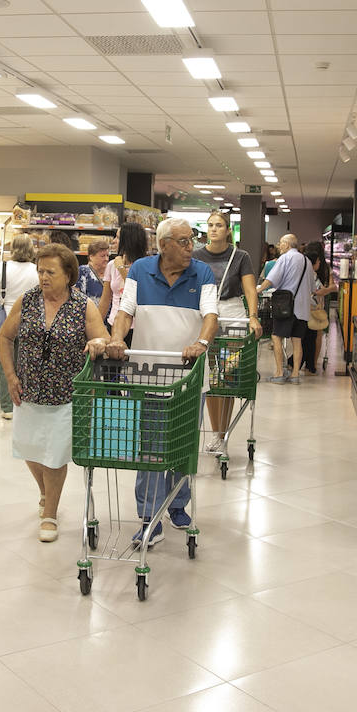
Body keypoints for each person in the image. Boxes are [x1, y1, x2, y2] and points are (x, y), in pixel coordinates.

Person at [105, 217, 218, 547]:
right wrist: (117, 339)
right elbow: (125, 312)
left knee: (182, 445)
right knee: (152, 450)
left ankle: (178, 502)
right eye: (183, 241)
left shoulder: (203, 273)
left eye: (191, 241)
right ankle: (150, 518)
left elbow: (210, 315)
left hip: (189, 376)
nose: (190, 247)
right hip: (149, 374)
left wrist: (202, 343)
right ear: (164, 244)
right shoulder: (140, 269)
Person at [0, 244, 109, 542]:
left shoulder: (83, 305)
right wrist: (10, 375)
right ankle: (46, 492)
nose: (43, 277)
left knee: (55, 455)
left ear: (68, 274)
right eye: (40, 271)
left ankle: (50, 514)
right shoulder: (28, 300)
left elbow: (104, 337)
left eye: (50, 272)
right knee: (30, 449)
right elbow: (5, 337)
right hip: (28, 389)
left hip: (66, 393)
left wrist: (98, 343)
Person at [191, 210, 261, 443]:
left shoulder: (240, 256)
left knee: (228, 377)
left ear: (228, 230)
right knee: (211, 378)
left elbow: (250, 290)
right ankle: (215, 433)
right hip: (205, 312)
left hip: (232, 315)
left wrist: (253, 316)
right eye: (210, 225)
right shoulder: (196, 256)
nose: (213, 229)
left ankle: (223, 433)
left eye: (219, 225)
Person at [0, 234, 41, 419]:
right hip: (30, 322)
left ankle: (8, 407)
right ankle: (26, 404)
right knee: (25, 364)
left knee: (4, 365)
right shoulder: (37, 270)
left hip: (5, 322)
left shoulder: (3, 267)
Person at [258, 234, 315, 384]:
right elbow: (312, 287)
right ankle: (295, 374)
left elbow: (271, 279)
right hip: (302, 308)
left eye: (281, 243)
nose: (278, 246)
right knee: (297, 341)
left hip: (286, 307)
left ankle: (279, 373)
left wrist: (258, 290)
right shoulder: (307, 261)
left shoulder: (285, 258)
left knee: (276, 337)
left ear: (287, 244)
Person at [294, 242, 336, 375]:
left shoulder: (303, 266)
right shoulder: (325, 268)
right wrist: (324, 291)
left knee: (305, 335)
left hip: (307, 305)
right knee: (316, 335)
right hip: (319, 306)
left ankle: (305, 363)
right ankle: (312, 364)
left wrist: (320, 291)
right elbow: (333, 286)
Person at [97, 222, 148, 333]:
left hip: (138, 327)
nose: (114, 241)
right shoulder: (111, 265)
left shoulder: (145, 266)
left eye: (118, 238)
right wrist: (96, 328)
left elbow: (140, 294)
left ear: (129, 241)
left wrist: (121, 269)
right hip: (114, 324)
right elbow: (105, 300)